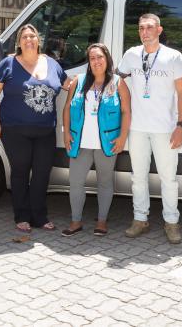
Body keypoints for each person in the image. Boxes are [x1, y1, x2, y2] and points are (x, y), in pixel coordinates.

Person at [0, 24, 70, 232]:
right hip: (15, 130)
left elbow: (69, 84)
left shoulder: (52, 64)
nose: (28, 40)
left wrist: (99, 79)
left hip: (46, 131)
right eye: (24, 37)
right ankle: (22, 216)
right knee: (20, 172)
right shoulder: (8, 64)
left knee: (42, 174)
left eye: (32, 36)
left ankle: (40, 216)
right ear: (19, 42)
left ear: (38, 40)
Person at [118, 13, 182, 244]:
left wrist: (181, 125)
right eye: (141, 28)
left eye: (149, 27)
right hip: (137, 128)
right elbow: (117, 80)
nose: (145, 32)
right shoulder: (131, 55)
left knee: (168, 179)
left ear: (159, 30)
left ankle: (171, 222)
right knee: (138, 177)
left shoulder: (173, 57)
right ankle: (140, 219)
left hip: (165, 129)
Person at [61, 43, 131, 237]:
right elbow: (67, 108)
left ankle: (101, 221)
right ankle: (76, 221)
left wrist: (122, 137)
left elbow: (126, 111)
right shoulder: (78, 81)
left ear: (107, 59)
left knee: (105, 183)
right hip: (80, 142)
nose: (96, 61)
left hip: (106, 143)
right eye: (92, 58)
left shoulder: (118, 82)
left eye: (100, 57)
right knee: (75, 182)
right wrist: (66, 133)